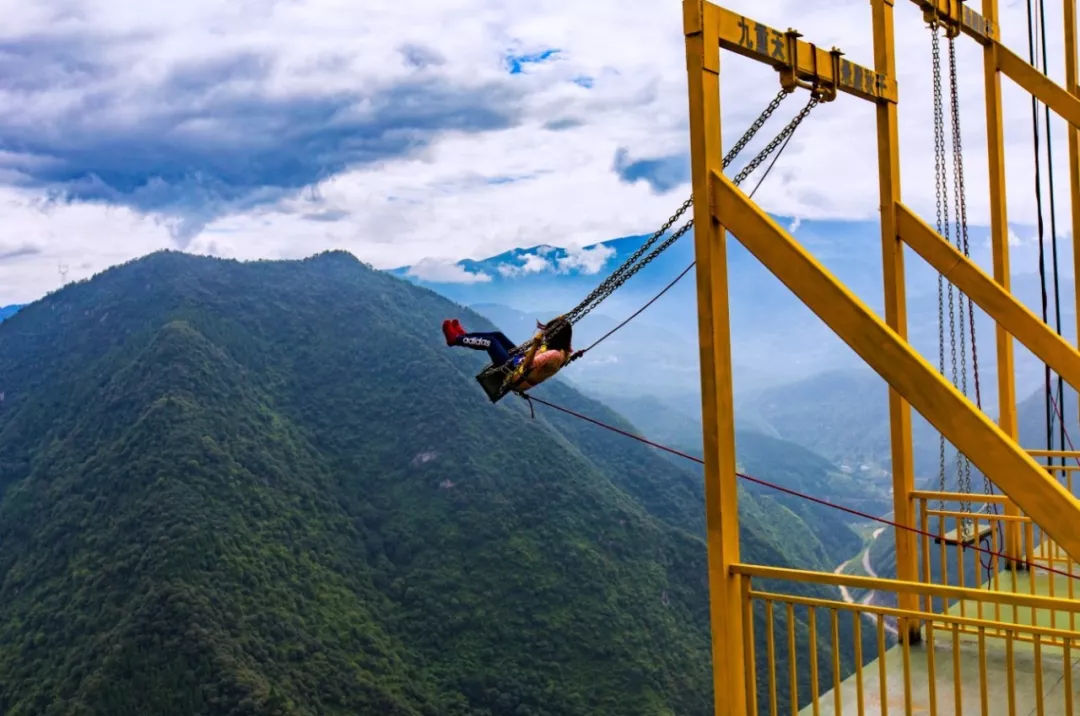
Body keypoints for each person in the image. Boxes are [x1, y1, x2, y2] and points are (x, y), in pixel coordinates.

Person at [442, 316, 582, 392]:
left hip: (515, 374)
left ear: (555, 336)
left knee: (491, 342)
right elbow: (567, 347)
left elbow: (528, 365)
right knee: (498, 335)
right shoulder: (563, 349)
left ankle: (455, 340)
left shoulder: (554, 354)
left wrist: (535, 345)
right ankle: (464, 336)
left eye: (548, 333)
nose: (545, 335)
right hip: (518, 363)